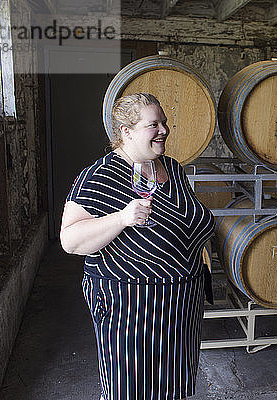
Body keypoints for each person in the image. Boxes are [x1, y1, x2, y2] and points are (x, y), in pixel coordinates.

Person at [60, 93, 214, 400]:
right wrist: (121, 218)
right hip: (130, 310)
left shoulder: (171, 167)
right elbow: (70, 240)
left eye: (165, 123)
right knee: (129, 391)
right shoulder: (99, 176)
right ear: (126, 131)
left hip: (179, 310)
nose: (164, 130)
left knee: (171, 390)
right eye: (153, 124)